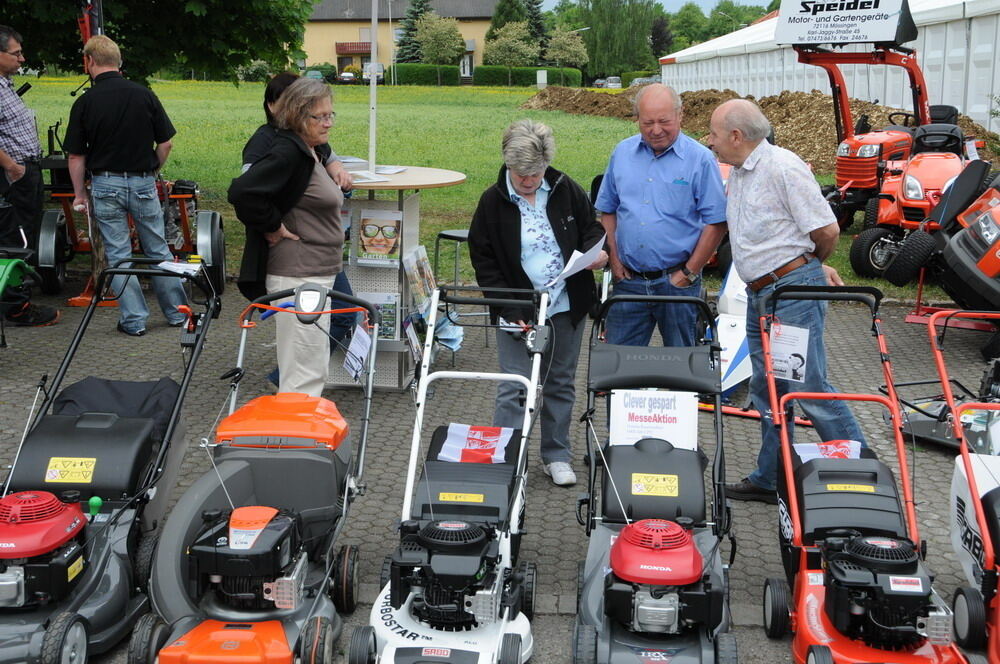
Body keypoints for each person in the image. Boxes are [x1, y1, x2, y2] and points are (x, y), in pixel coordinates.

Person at [706, 98, 867, 504]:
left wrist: (807, 269)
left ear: (736, 136)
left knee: (805, 386)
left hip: (789, 292)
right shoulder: (743, 171)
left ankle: (861, 470)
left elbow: (827, 230)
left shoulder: (782, 167)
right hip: (761, 292)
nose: (709, 141)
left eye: (713, 133)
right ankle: (771, 476)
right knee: (768, 388)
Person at [468, 119, 608, 486]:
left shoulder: (565, 188)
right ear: (507, 163)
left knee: (560, 382)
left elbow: (591, 228)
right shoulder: (491, 202)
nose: (529, 180)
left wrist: (597, 252)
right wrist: (510, 311)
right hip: (518, 308)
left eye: (535, 173)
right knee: (514, 385)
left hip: (566, 304)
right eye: (521, 174)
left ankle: (556, 455)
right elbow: (485, 262)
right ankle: (506, 455)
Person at [229, 77, 346, 396]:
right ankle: (294, 441)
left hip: (316, 273)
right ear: (296, 115)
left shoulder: (309, 149)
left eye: (330, 115)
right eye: (319, 117)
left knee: (312, 367)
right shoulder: (288, 150)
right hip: (298, 275)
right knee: (302, 375)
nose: (328, 123)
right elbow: (242, 191)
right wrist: (272, 226)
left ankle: (301, 438)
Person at [65, 35, 187, 337]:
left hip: (105, 185)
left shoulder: (85, 102)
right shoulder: (144, 95)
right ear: (118, 62)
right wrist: (151, 172)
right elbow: (166, 143)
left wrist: (80, 194)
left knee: (119, 255)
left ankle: (134, 321)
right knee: (158, 248)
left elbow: (76, 155)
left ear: (90, 61)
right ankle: (177, 314)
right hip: (144, 183)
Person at [595, 83, 727, 348]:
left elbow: (717, 222)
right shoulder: (622, 153)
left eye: (664, 121)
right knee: (618, 366)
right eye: (647, 123)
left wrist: (688, 273)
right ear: (637, 120)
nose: (656, 130)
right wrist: (616, 260)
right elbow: (607, 209)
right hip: (629, 281)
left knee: (682, 366)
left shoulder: (700, 159)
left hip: (678, 283)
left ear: (681, 115)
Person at [0, 25, 58, 327]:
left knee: (25, 233)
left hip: (26, 170)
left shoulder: (5, 84)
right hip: (14, 174)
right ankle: (17, 307)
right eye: (16, 53)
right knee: (15, 238)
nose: (22, 59)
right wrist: (12, 167)